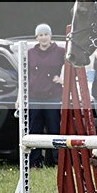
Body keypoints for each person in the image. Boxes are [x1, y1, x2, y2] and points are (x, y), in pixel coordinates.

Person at [28, 23, 66, 168]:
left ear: (50, 36)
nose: (43, 38)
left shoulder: (60, 51)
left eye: (46, 34)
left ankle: (57, 161)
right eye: (40, 35)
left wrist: (63, 80)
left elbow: (73, 69)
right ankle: (35, 161)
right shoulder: (30, 53)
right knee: (34, 129)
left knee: (54, 128)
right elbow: (24, 75)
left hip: (53, 96)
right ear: (36, 37)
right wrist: (20, 98)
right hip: (34, 96)